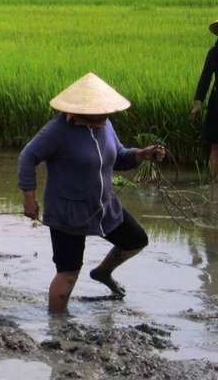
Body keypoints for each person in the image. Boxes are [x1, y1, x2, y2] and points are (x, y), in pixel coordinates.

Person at [17, 73, 165, 313]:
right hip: (68, 213)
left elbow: (118, 157)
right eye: (100, 113)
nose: (105, 117)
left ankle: (103, 272)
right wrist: (29, 199)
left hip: (104, 207)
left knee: (136, 240)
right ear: (83, 111)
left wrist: (142, 154)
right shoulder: (59, 130)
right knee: (68, 274)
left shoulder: (105, 125)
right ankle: (57, 324)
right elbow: (27, 157)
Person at [190, 19, 218, 177]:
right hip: (217, 104)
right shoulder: (215, 52)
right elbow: (205, 79)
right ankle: (214, 184)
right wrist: (197, 104)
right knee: (216, 145)